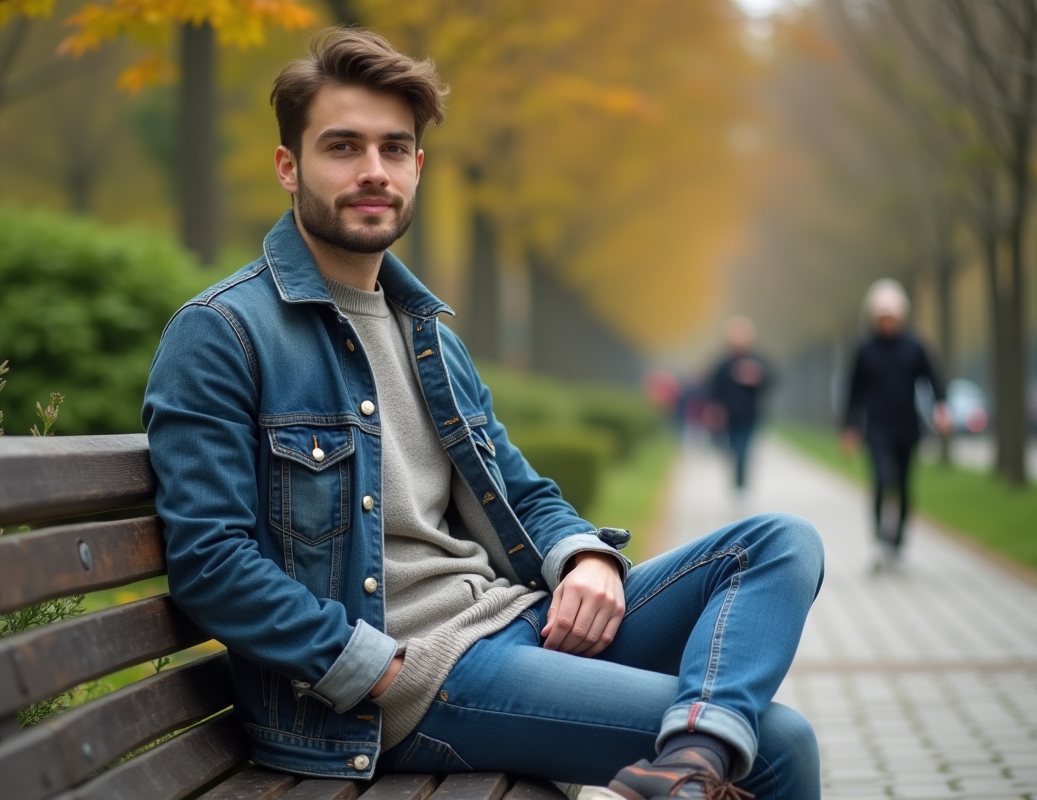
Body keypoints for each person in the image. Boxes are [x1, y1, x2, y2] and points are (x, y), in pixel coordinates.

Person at [142, 28, 824, 800]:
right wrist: (374, 667)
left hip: (516, 622)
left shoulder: (425, 333)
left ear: (418, 168)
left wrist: (584, 556)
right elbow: (211, 560)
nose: (374, 172)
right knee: (778, 745)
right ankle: (700, 757)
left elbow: (522, 490)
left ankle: (691, 756)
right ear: (287, 166)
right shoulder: (226, 333)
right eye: (343, 147)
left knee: (779, 542)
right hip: (415, 680)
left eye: (395, 150)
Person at [842, 279, 949, 571]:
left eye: (892, 316)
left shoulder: (914, 346)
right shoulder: (865, 350)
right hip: (876, 427)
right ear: (874, 317)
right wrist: (849, 428)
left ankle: (898, 543)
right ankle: (879, 540)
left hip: (907, 427)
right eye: (882, 317)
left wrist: (941, 407)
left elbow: (933, 378)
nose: (887, 322)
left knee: (903, 485)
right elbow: (853, 391)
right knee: (880, 479)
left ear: (901, 316)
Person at [705, 317, 774, 496]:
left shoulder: (757, 361)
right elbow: (714, 388)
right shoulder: (723, 363)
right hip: (728, 415)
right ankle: (737, 482)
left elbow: (771, 380)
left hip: (750, 414)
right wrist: (714, 409)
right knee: (733, 450)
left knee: (744, 449)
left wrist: (757, 377)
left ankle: (740, 486)